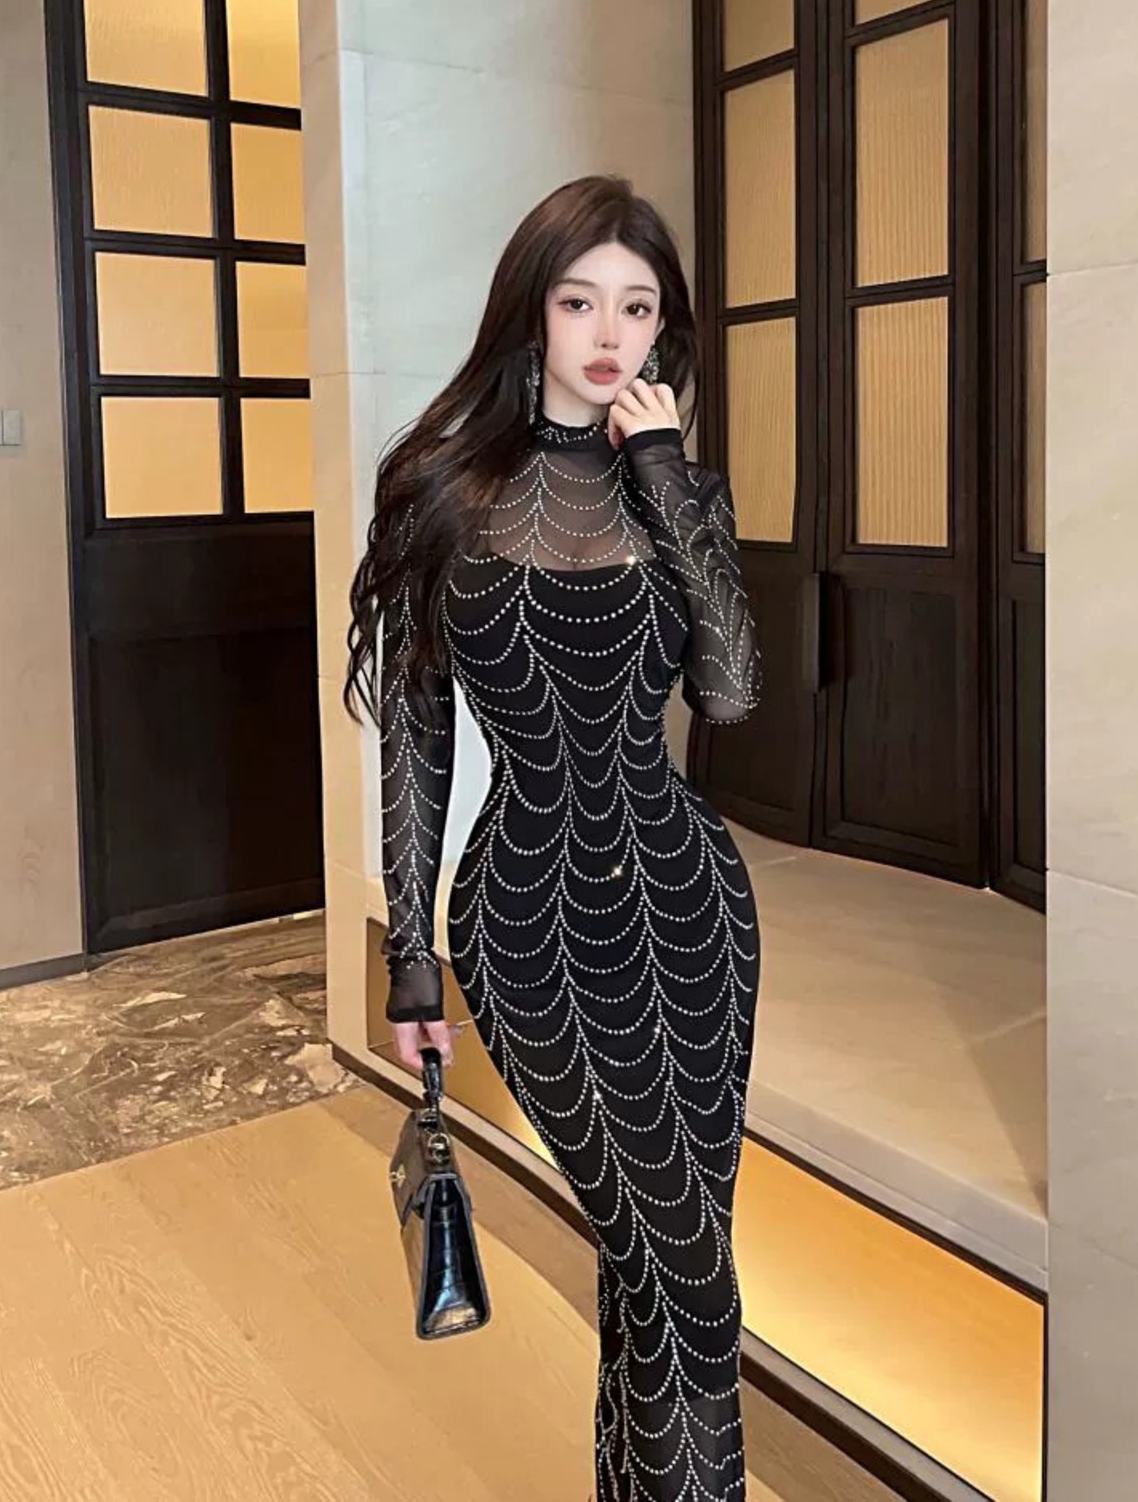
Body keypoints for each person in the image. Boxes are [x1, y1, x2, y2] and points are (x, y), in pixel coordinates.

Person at [345, 174, 762, 1502]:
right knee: (689, 1278)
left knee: (663, 1264)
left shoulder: (681, 491)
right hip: (527, 928)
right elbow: (416, 737)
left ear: (663, 331)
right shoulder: (441, 491)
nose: (608, 333)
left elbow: (732, 694)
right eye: (581, 300)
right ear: (532, 310)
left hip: (694, 912)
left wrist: (662, 469)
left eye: (637, 309)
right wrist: (412, 961)